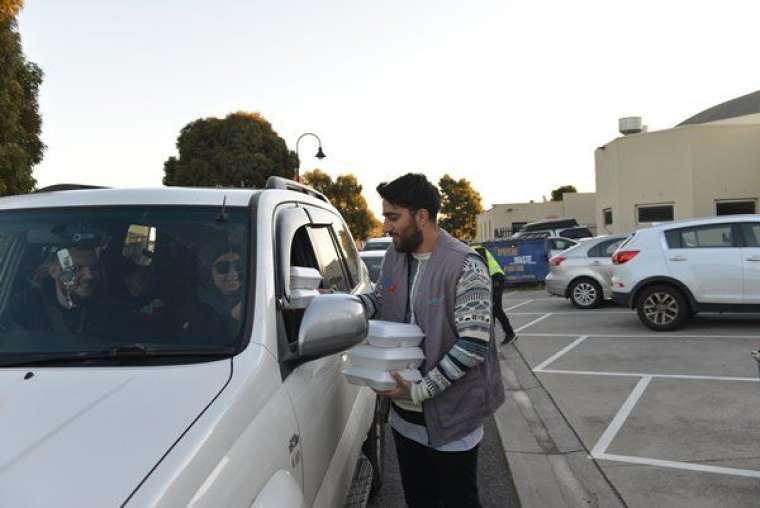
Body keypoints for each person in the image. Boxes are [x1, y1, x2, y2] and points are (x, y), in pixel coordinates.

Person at [357, 173, 504, 508]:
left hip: (453, 419)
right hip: (403, 418)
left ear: (421, 216)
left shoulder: (465, 264)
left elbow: (474, 343)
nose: (386, 227)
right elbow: (381, 299)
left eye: (393, 217)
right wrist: (343, 305)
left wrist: (420, 389)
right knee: (419, 501)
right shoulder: (395, 256)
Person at [8, 245, 107, 334]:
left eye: (94, 268)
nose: (89, 276)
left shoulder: (108, 308)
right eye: (77, 268)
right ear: (54, 271)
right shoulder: (23, 306)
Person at [473, 245, 516, 344]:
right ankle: (488, 337)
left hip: (495, 277)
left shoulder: (476, 248)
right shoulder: (471, 249)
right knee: (491, 308)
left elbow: (483, 267)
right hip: (492, 278)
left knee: (496, 308)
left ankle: (510, 334)